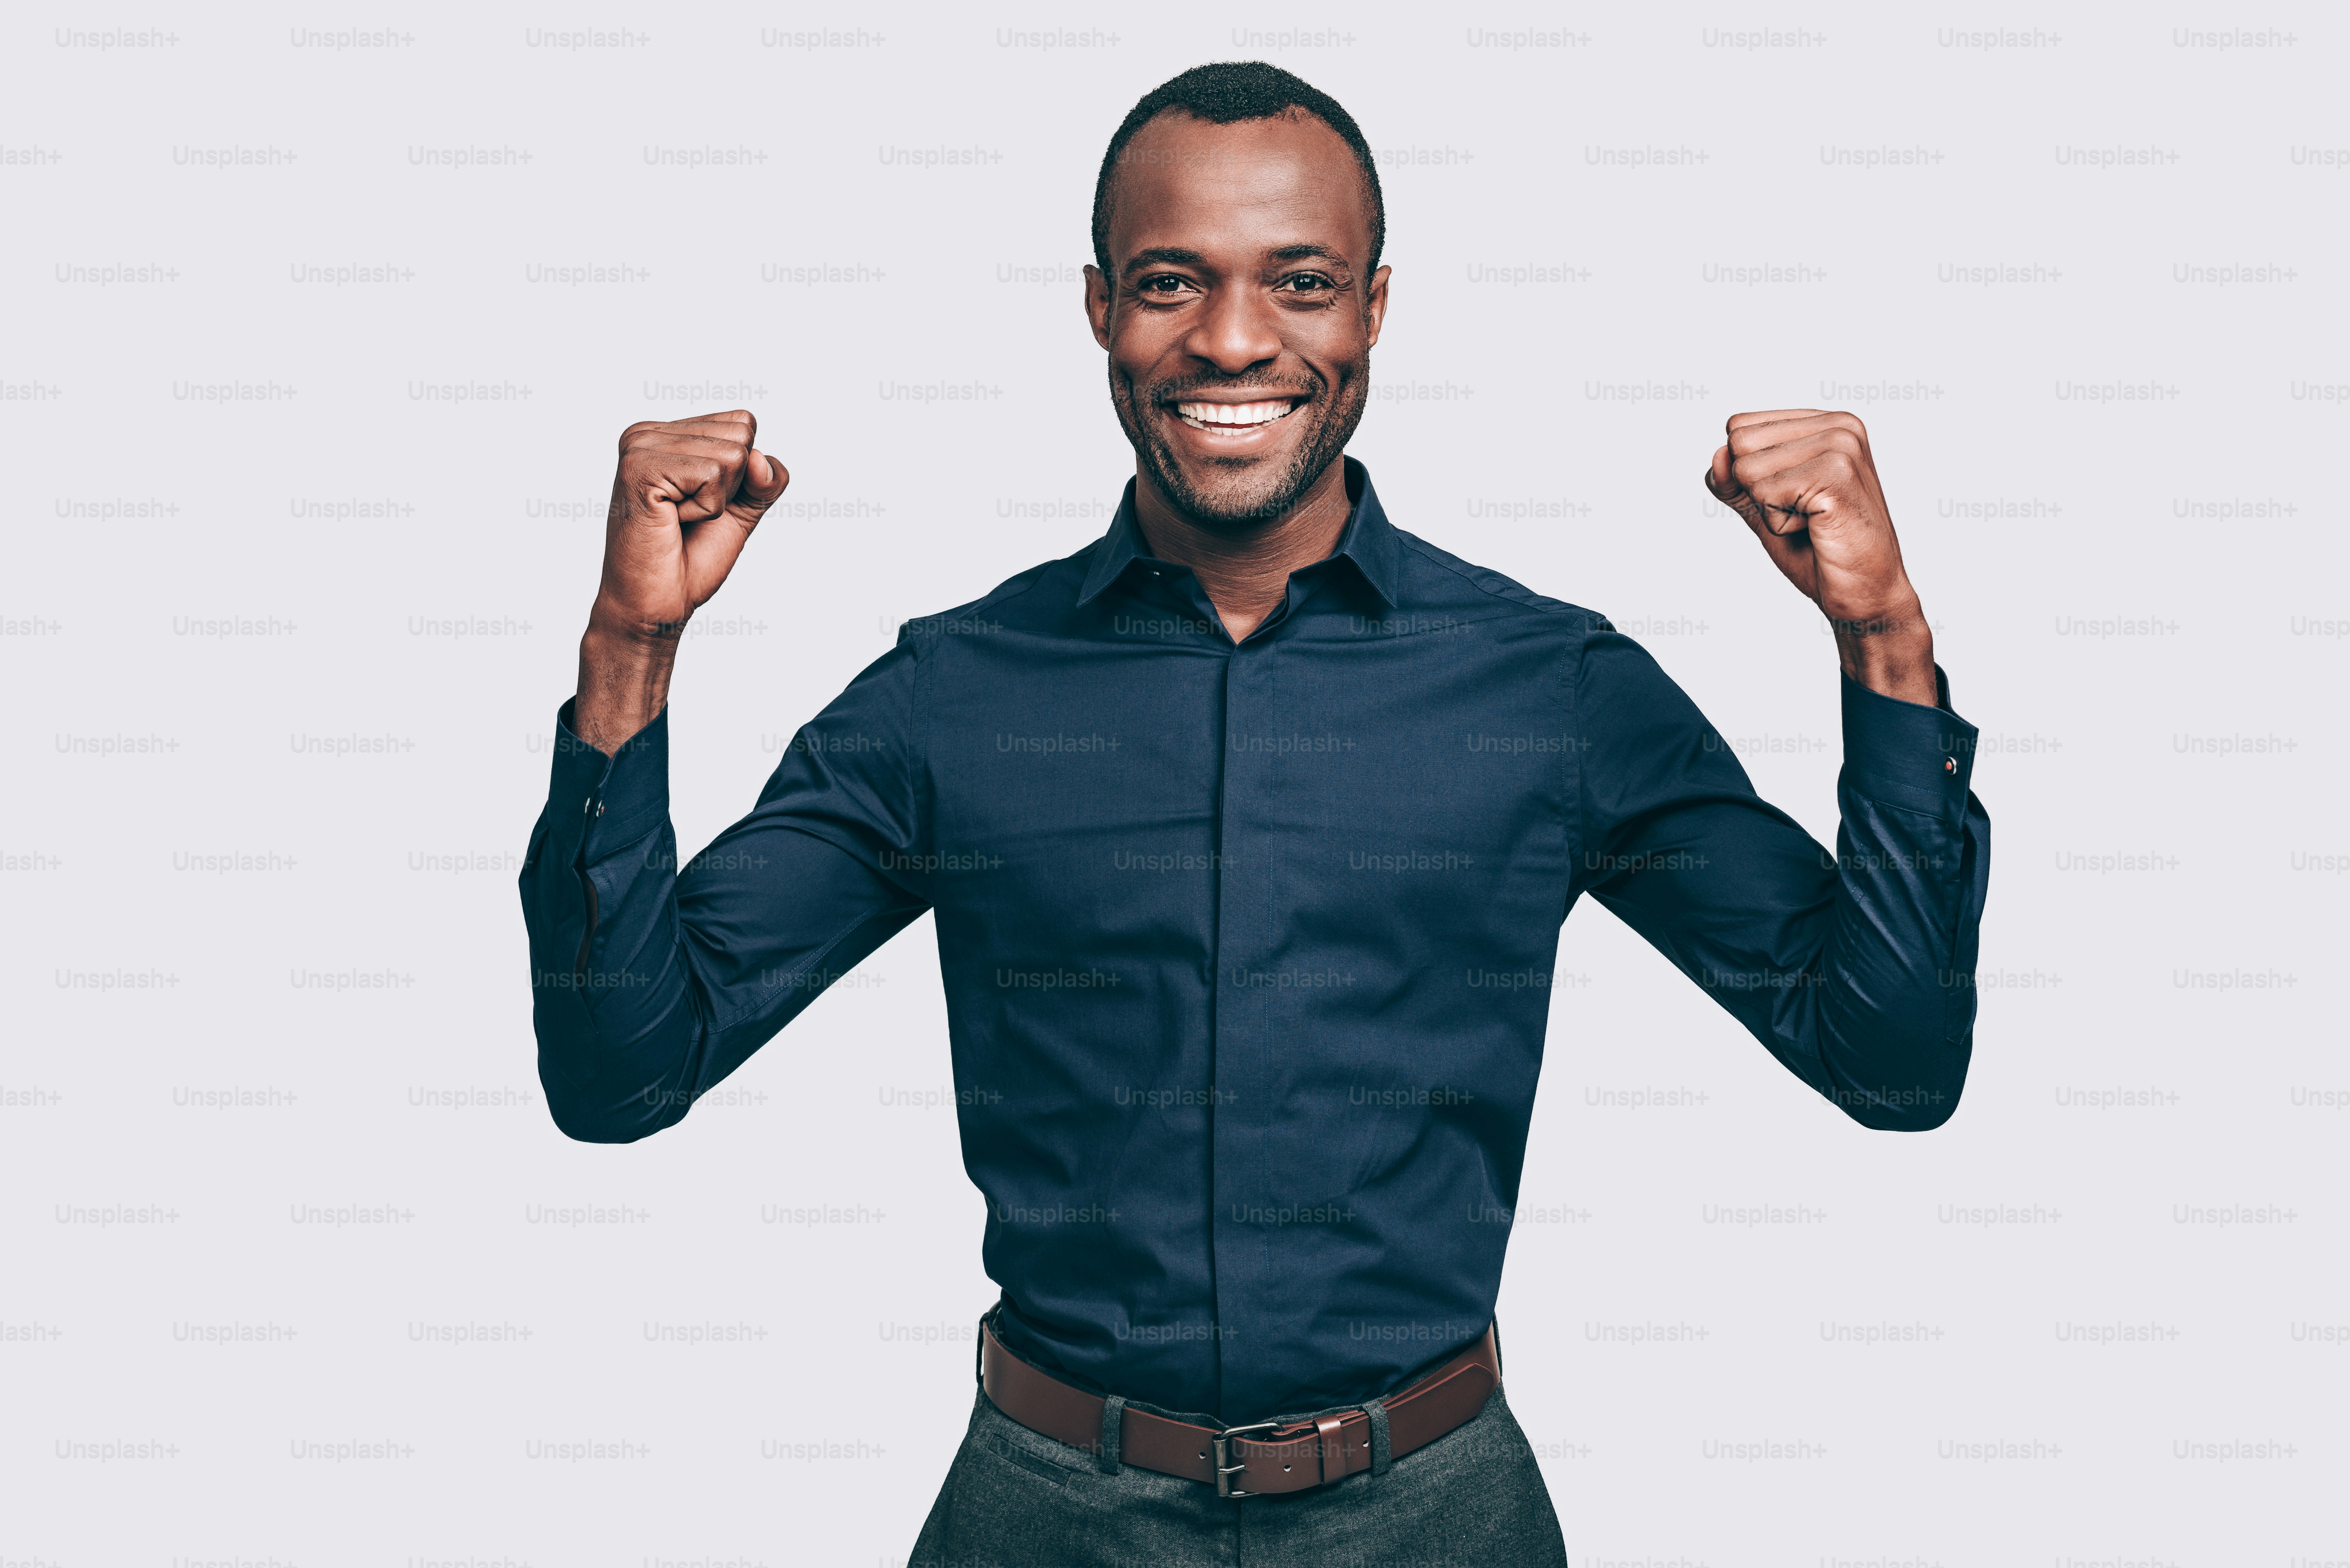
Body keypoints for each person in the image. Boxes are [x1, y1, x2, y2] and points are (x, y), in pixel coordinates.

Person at [518, 60, 1989, 1567]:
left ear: (1373, 307)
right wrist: (630, 655)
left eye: (1299, 282)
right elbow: (623, 1075)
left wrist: (1881, 647)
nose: (1232, 340)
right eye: (1172, 282)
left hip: (1440, 1513)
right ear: (1099, 309)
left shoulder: (1551, 686)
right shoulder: (952, 694)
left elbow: (1886, 1062)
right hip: (1046, 1513)